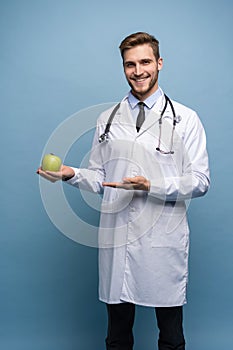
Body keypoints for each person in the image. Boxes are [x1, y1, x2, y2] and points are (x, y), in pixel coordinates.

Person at [37, 32, 210, 350]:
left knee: (170, 335)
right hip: (117, 237)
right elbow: (102, 178)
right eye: (130, 64)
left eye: (145, 62)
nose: (138, 70)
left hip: (162, 240)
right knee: (117, 335)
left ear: (159, 63)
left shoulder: (185, 119)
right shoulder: (108, 119)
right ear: (123, 68)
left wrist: (151, 185)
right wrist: (69, 174)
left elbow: (200, 181)